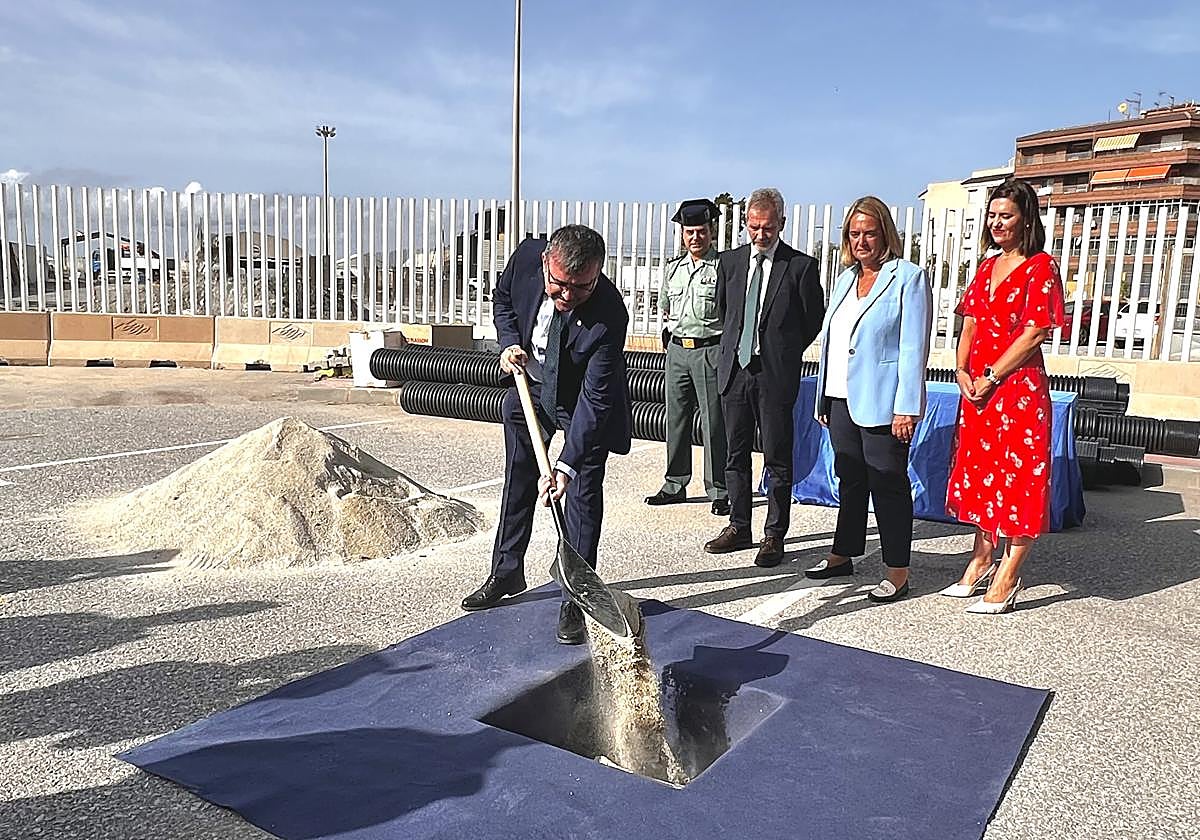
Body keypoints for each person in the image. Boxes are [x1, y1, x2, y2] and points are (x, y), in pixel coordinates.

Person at [461, 225, 633, 644]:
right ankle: (506, 572)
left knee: (582, 495)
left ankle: (576, 598)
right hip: (531, 386)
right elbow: (503, 300)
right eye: (559, 286)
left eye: (581, 287)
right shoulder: (525, 258)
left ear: (598, 275)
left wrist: (567, 465)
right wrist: (507, 343)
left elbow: (596, 400)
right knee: (518, 480)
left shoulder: (610, 314)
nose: (568, 297)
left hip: (580, 402)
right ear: (545, 264)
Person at [942, 178, 1065, 614]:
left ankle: (1009, 573)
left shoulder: (1040, 267)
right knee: (981, 473)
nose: (997, 223)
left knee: (1019, 478)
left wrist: (991, 374)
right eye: (992, 215)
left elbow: (1034, 333)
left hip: (1017, 389)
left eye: (1005, 215)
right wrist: (961, 369)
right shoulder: (985, 266)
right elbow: (970, 323)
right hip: (979, 390)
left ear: (1026, 219)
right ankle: (980, 559)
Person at [806, 196, 933, 603]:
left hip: (883, 401)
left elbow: (914, 347)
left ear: (885, 235)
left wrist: (906, 406)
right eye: (854, 234)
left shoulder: (907, 278)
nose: (861, 241)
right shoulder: (844, 279)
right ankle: (843, 553)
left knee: (888, 482)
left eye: (870, 233)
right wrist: (824, 396)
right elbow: (833, 341)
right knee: (851, 478)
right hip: (840, 396)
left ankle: (898, 570)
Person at [703, 188, 825, 567]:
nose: (760, 235)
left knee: (777, 456)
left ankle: (774, 534)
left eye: (768, 228)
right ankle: (739, 526)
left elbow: (812, 320)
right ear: (745, 224)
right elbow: (726, 312)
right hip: (735, 372)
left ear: (781, 225)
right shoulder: (731, 262)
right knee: (735, 453)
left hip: (774, 375)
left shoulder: (800, 267)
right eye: (754, 227)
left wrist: (782, 351)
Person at [644, 198, 730, 516]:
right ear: (682, 234)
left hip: (709, 350)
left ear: (711, 232)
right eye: (690, 232)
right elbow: (666, 307)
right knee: (676, 420)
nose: (695, 237)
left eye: (701, 231)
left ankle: (719, 488)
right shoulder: (673, 270)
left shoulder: (722, 269)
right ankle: (674, 483)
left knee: (713, 422)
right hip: (678, 351)